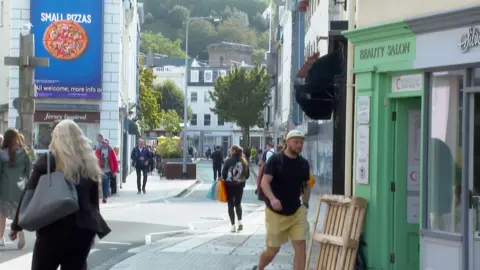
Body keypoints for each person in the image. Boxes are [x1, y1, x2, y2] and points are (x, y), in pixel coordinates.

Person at [10, 119, 111, 270]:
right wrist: (94, 227)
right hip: (82, 231)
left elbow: (29, 193)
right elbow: (93, 203)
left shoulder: (48, 162)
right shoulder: (89, 163)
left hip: (52, 229)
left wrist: (16, 226)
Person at [253, 130, 311, 270]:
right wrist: (272, 199)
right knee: (273, 250)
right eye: (296, 142)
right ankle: (260, 267)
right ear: (286, 142)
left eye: (301, 143)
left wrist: (305, 203)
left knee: (300, 246)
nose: (299, 145)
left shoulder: (303, 163)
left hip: (296, 212)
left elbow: (306, 184)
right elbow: (264, 183)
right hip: (275, 213)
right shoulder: (275, 160)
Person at [0, 130, 30, 249]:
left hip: (4, 189)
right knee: (18, 214)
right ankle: (20, 231)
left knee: (2, 214)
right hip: (20, 189)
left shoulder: (1, 154)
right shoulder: (25, 153)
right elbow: (28, 172)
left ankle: (0, 238)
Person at [222, 145, 250, 233]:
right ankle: (240, 222)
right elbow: (247, 175)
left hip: (229, 186)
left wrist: (229, 179)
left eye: (230, 149)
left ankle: (233, 226)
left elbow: (223, 174)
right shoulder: (244, 161)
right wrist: (240, 180)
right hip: (240, 186)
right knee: (238, 204)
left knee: (230, 205)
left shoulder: (228, 161)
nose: (230, 151)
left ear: (233, 151)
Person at [95, 139, 119, 203]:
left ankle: (105, 197)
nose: (104, 144)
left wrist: (114, 171)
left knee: (106, 183)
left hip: (108, 170)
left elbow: (115, 161)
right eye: (103, 143)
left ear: (108, 144)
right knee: (101, 184)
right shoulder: (98, 150)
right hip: (100, 170)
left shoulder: (111, 150)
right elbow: (95, 159)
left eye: (105, 143)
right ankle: (102, 195)